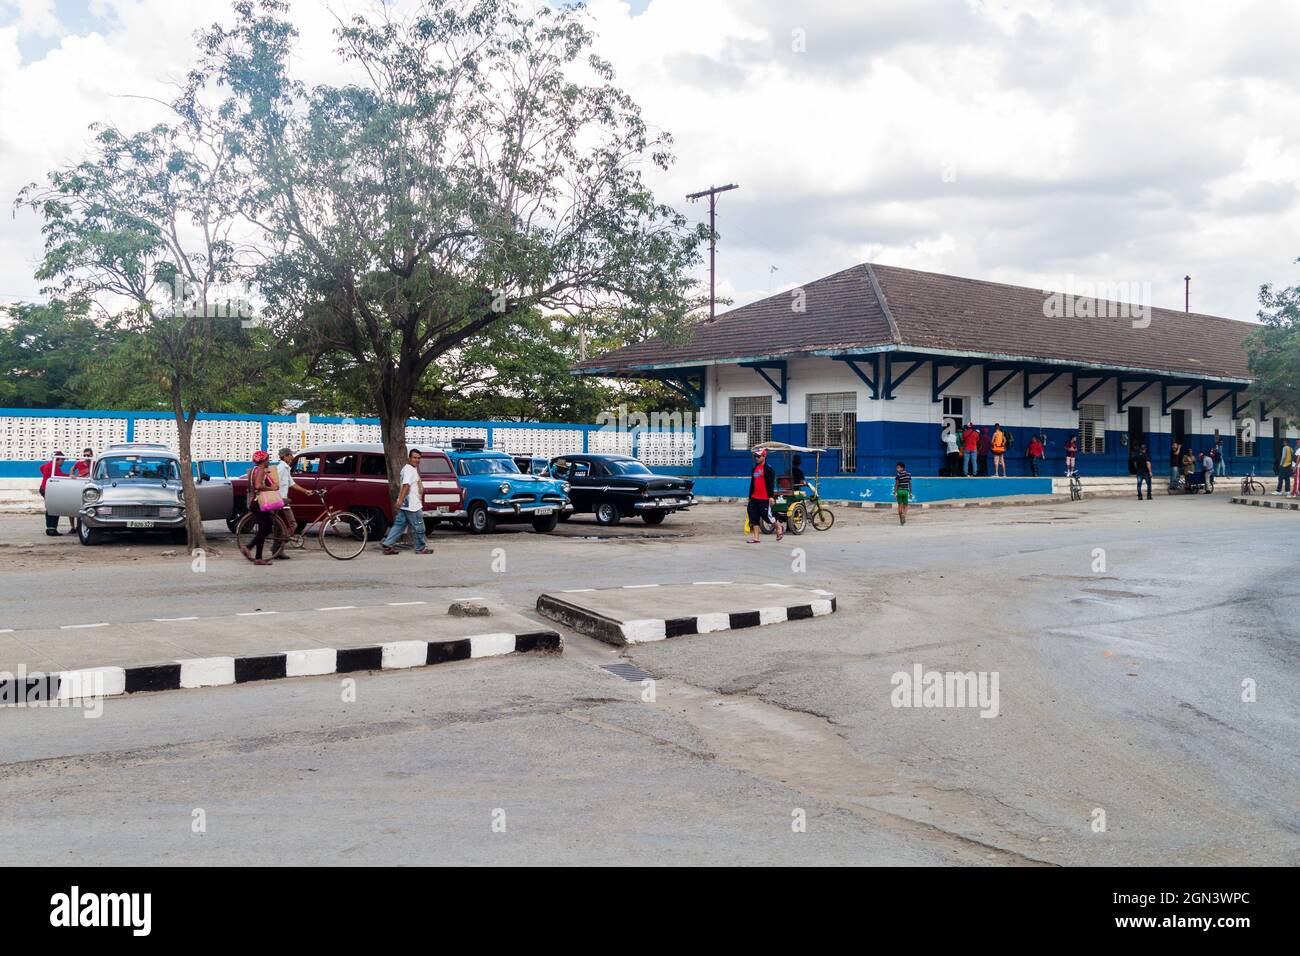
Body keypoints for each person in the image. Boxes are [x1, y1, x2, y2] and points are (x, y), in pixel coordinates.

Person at [381, 448, 434, 555]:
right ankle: (421, 548)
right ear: (409, 458)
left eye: (419, 458)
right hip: (412, 505)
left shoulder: (408, 468)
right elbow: (406, 486)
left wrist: (401, 501)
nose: (416, 460)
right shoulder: (409, 470)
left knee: (399, 526)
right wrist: (400, 500)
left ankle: (388, 544)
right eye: (414, 458)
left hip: (406, 505)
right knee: (419, 527)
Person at [246, 450, 279, 566]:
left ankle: (256, 555)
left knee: (264, 529)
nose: (268, 461)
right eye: (267, 459)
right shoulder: (260, 470)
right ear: (263, 460)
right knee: (265, 529)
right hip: (259, 503)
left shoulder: (252, 470)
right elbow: (258, 486)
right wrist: (272, 489)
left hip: (253, 502)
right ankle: (250, 549)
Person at [745, 446, 781, 543]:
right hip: (754, 497)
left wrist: (771, 497)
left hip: (764, 498)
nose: (756, 458)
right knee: (753, 516)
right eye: (755, 456)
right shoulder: (755, 469)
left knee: (766, 516)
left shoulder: (768, 469)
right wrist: (749, 497)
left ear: (764, 456)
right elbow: (752, 484)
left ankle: (778, 527)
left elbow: (770, 484)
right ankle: (756, 538)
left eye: (758, 456)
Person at [274, 448, 299, 558]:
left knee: (279, 527)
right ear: (285, 456)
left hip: (281, 500)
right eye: (290, 455)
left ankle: (278, 550)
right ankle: (278, 546)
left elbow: (292, 483)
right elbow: (274, 484)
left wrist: (306, 491)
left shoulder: (285, 468)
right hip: (281, 501)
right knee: (292, 524)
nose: (292, 458)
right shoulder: (281, 469)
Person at [38, 450, 68, 536]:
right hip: (49, 489)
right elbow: (60, 475)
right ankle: (52, 529)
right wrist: (70, 476)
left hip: (43, 488)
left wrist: (46, 476)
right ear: (59, 459)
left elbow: (41, 468)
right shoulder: (55, 466)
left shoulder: (48, 464)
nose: (63, 462)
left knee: (50, 508)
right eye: (63, 460)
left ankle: (49, 528)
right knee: (54, 509)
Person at [893, 461, 913, 525]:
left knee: (899, 505)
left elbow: (896, 484)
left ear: (902, 468)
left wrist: (895, 493)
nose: (897, 469)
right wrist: (910, 493)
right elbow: (910, 484)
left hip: (899, 491)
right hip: (906, 491)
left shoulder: (898, 475)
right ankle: (904, 515)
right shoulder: (909, 474)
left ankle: (901, 517)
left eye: (898, 468)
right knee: (906, 505)